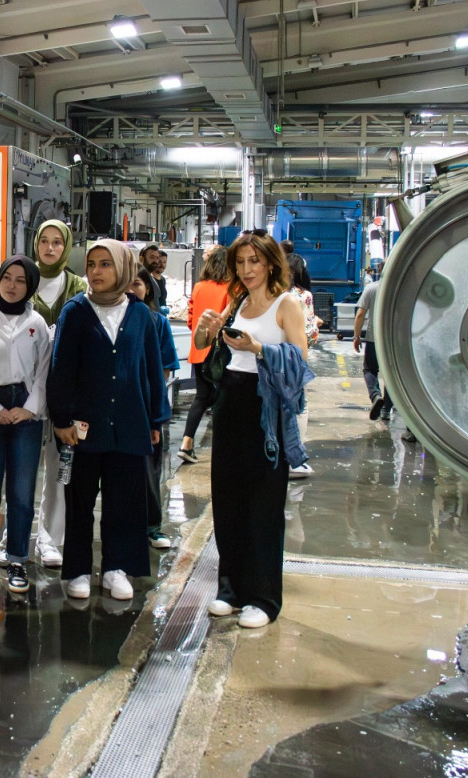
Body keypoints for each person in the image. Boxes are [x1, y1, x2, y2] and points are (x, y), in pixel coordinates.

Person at [195, 232, 312, 629]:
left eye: (254, 262)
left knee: (263, 504)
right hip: (230, 401)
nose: (246, 270)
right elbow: (204, 345)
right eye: (241, 263)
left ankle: (263, 598)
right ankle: (229, 589)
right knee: (227, 500)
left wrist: (258, 349)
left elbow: (299, 364)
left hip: (265, 409)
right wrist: (207, 330)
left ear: (270, 264)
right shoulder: (238, 300)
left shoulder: (287, 304)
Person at [48, 239, 170, 601]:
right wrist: (61, 419)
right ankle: (79, 571)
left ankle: (117, 568)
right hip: (82, 427)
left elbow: (151, 371)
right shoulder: (75, 311)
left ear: (124, 269)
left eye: (105, 264)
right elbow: (61, 371)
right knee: (80, 502)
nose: (96, 272)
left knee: (124, 502)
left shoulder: (140, 315)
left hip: (131, 423)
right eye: (92, 264)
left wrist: (156, 420)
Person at [0, 255, 51, 594]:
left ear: (30, 285)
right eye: (7, 278)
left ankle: (17, 559)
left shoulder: (38, 323)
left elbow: (46, 371)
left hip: (26, 413)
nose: (12, 285)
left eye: (21, 280)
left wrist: (30, 409)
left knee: (20, 494)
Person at [30, 219, 87, 568]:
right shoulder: (23, 277)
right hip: (23, 388)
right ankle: (16, 536)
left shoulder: (78, 285)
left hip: (66, 390)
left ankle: (50, 538)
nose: (50, 248)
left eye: (56, 242)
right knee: (19, 469)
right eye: (44, 241)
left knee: (59, 467)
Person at [130, 268, 179, 549]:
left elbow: (164, 370)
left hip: (147, 408)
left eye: (137, 284)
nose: (132, 289)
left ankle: (152, 527)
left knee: (149, 471)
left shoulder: (157, 322)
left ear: (147, 289)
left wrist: (153, 414)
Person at [178, 245, 230, 464]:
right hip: (220, 354)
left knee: (201, 396)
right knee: (223, 398)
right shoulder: (231, 289)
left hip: (199, 351)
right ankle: (223, 449)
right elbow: (229, 322)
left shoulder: (198, 287)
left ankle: (186, 443)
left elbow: (192, 319)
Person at [281, 239, 321, 479]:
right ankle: (295, 457)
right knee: (298, 407)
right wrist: (315, 326)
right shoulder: (303, 296)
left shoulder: (270, 294)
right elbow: (308, 334)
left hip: (270, 356)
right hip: (294, 358)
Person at [353, 261, 391, 421]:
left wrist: (356, 336)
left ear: (379, 271)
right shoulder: (400, 288)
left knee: (369, 370)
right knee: (392, 376)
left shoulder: (372, 288)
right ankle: (386, 411)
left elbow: (361, 313)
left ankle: (375, 396)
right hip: (393, 342)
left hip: (374, 339)